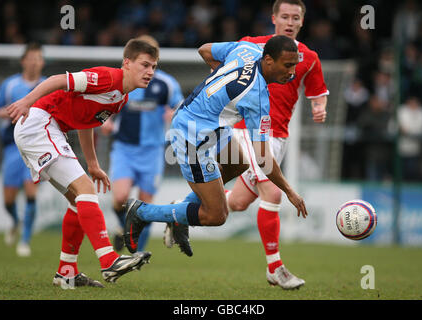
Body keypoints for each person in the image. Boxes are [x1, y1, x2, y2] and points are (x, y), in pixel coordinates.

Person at [123, 36, 309, 289]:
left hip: (212, 126)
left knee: (239, 163)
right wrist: (290, 191)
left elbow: (204, 49)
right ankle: (142, 212)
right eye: (287, 66)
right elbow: (264, 160)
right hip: (192, 138)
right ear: (268, 60)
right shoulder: (257, 97)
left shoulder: (246, 48)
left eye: (294, 65)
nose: (292, 72)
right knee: (216, 215)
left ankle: (180, 212)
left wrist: (219, 78)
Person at [6, 38, 158, 288]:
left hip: (48, 128)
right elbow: (57, 79)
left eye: (153, 66)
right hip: (40, 122)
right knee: (86, 190)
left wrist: (93, 164)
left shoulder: (121, 99)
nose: (150, 71)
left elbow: (86, 123)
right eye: (145, 65)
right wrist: (26, 100)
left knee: (79, 202)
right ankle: (109, 259)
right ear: (127, 63)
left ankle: (66, 272)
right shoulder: (108, 78)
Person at [222, 0, 329, 289]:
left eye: (296, 17)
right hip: (248, 131)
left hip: (278, 136)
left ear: (302, 22)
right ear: (274, 18)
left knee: (237, 202)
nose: (290, 21)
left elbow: (318, 92)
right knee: (272, 192)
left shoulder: (309, 57)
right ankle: (275, 268)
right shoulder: (252, 45)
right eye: (285, 16)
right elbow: (222, 63)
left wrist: (320, 106)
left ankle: (178, 213)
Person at [101, 35, 184, 253]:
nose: (149, 67)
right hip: (124, 148)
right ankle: (124, 227)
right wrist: (106, 121)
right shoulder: (123, 81)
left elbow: (181, 106)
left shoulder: (165, 83)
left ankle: (137, 254)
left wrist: (172, 112)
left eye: (152, 61)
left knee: (145, 206)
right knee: (119, 198)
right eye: (145, 61)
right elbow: (107, 105)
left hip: (152, 151)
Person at [0, 42, 45, 257]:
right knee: (8, 200)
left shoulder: (47, 85)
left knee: (31, 194)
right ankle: (15, 221)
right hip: (12, 147)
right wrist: (12, 112)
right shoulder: (10, 85)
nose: (34, 62)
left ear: (42, 62)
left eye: (38, 58)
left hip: (37, 147)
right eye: (31, 58)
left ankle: (25, 241)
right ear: (23, 61)